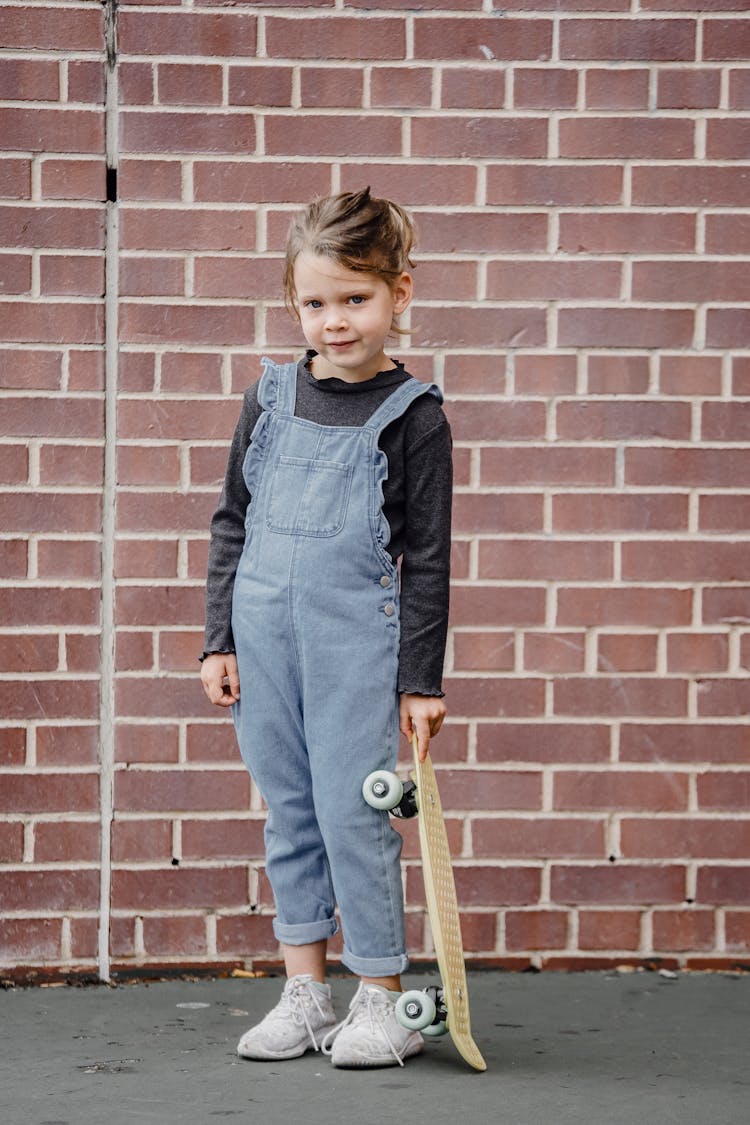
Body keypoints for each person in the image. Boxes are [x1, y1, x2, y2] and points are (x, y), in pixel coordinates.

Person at [200, 188, 453, 1068]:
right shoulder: (269, 396)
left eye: (356, 299)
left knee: (355, 813)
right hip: (263, 636)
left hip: (354, 645)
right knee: (291, 812)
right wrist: (217, 639)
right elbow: (231, 519)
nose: (335, 321)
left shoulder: (414, 416)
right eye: (315, 302)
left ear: (400, 293)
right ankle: (305, 992)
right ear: (292, 304)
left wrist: (421, 682)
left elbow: (426, 559)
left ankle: (380, 996)